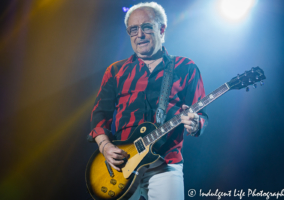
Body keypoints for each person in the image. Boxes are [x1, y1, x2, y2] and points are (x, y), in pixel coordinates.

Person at [87, 2, 208, 200]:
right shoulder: (116, 71)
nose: (139, 34)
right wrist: (105, 147)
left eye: (146, 27)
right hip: (122, 165)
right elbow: (100, 113)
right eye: (133, 29)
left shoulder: (185, 67)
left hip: (165, 164)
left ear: (161, 29)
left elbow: (201, 114)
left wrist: (195, 123)